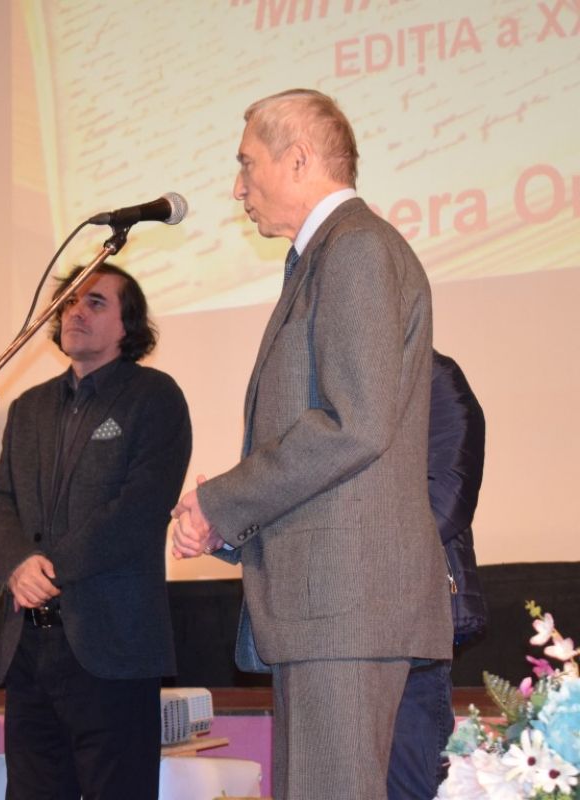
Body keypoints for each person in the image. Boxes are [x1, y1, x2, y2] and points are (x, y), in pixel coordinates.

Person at [170, 89, 453, 799]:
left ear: (297, 159)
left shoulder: (356, 249)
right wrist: (226, 521)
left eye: (247, 164)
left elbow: (354, 423)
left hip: (344, 604)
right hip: (324, 607)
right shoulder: (328, 256)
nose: (238, 188)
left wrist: (222, 502)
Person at [0, 264, 192, 799]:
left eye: (95, 302)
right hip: (30, 647)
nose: (76, 311)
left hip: (112, 646)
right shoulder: (29, 407)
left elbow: (139, 509)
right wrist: (16, 566)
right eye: (69, 301)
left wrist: (48, 569)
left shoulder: (154, 397)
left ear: (128, 325)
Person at [387, 350, 487, 800]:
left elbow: (450, 496)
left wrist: (359, 556)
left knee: (411, 779)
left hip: (416, 618)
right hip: (347, 628)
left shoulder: (434, 377)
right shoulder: (341, 379)